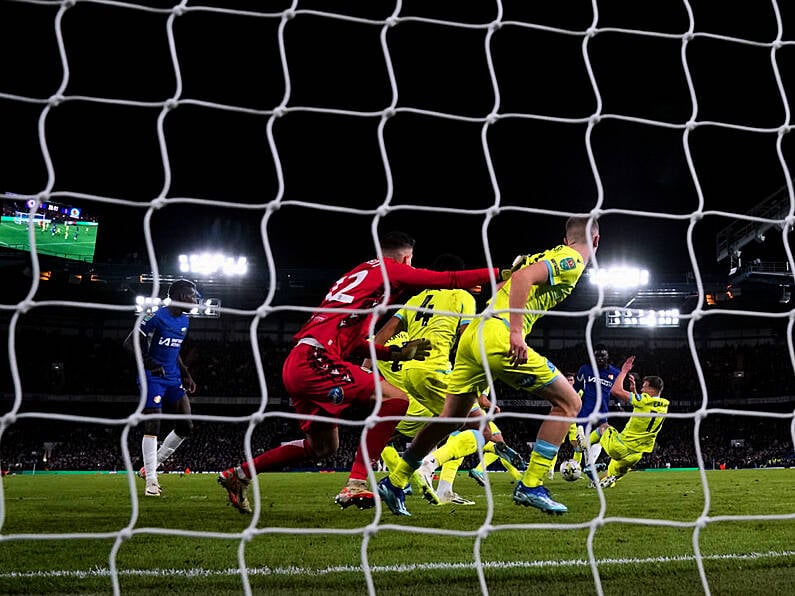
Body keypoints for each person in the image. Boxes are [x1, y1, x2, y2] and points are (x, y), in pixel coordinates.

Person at [217, 233, 499, 514]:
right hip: (317, 360)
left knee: (323, 447)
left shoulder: (359, 279)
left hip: (300, 361)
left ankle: (239, 475)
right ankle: (357, 483)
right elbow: (448, 279)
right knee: (396, 399)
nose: (411, 267)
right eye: (411, 262)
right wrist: (503, 273)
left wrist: (395, 354)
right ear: (405, 258)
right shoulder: (389, 269)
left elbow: (353, 343)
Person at [378, 216, 599, 516]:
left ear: (565, 237)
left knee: (450, 419)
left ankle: (395, 481)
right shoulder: (571, 260)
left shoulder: (544, 255)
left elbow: (509, 281)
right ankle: (531, 484)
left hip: (474, 335)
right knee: (570, 402)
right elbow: (521, 280)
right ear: (596, 241)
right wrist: (516, 332)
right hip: (498, 335)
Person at [123, 279, 198, 497]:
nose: (196, 300)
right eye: (193, 296)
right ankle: (151, 482)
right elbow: (129, 342)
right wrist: (149, 363)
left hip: (173, 377)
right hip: (152, 377)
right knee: (153, 424)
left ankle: (149, 469)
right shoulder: (156, 315)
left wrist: (186, 373)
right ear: (183, 296)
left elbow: (175, 351)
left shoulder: (185, 321)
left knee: (186, 426)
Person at [595, 356, 668, 488]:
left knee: (603, 427)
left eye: (644, 387)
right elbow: (642, 408)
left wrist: (623, 371)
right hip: (636, 456)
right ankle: (605, 482)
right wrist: (633, 391)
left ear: (652, 390)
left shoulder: (644, 400)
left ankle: (580, 450)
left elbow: (615, 391)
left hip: (622, 447)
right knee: (609, 475)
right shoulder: (664, 405)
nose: (642, 390)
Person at [567, 344, 621, 479]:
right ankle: (590, 474)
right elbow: (576, 388)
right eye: (597, 355)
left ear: (607, 356)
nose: (600, 358)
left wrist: (619, 403)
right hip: (586, 412)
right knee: (583, 446)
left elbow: (617, 391)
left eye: (603, 355)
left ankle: (590, 470)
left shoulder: (615, 373)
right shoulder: (584, 369)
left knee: (600, 441)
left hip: (603, 412)